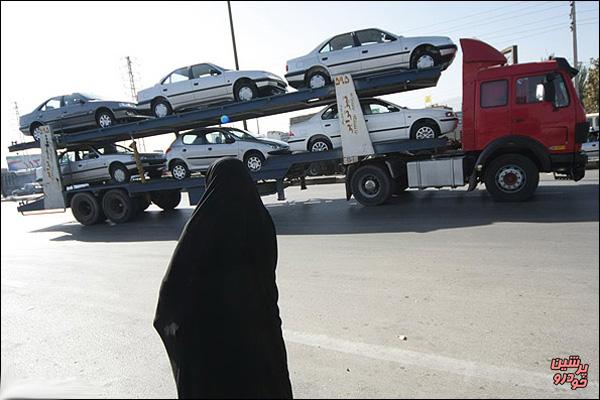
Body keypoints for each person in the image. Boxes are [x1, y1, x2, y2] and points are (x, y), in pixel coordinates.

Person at [153, 158, 293, 399]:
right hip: (261, 332)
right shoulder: (260, 219)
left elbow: (173, 285)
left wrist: (172, 322)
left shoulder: (203, 224)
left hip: (214, 338)